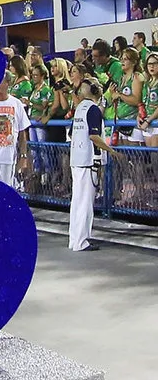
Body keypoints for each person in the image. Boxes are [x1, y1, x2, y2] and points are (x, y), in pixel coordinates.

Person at [69, 79, 115, 252]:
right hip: (88, 161)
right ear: (96, 90)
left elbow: (73, 132)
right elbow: (94, 136)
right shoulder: (93, 109)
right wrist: (111, 151)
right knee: (85, 203)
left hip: (77, 159)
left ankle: (75, 239)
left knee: (77, 201)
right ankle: (81, 241)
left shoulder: (80, 108)